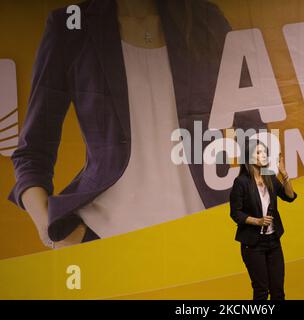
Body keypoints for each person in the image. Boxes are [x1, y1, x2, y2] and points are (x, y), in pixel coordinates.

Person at [7, 0, 266, 249]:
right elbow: (33, 151)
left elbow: (250, 129)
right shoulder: (69, 26)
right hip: (105, 240)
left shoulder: (205, 18)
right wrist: (52, 232)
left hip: (204, 229)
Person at [229, 138, 298, 300]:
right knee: (261, 291)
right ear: (248, 157)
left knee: (278, 291)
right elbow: (235, 214)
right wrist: (257, 221)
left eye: (264, 152)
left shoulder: (270, 177)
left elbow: (290, 197)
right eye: (258, 152)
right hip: (253, 244)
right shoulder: (241, 182)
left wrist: (284, 174)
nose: (263, 155)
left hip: (273, 241)